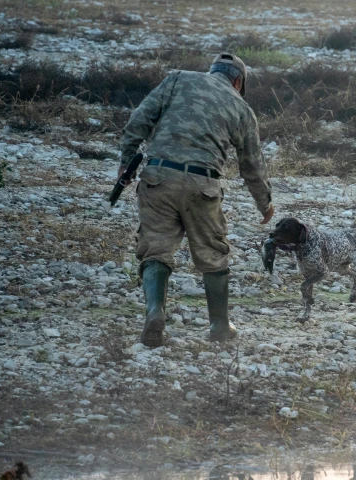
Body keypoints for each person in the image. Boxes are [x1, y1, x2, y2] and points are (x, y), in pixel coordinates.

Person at [117, 53, 275, 347]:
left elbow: (138, 120)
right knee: (213, 255)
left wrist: (126, 164)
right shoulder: (241, 108)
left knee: (155, 250)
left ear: (212, 71)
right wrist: (264, 204)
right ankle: (218, 325)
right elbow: (251, 164)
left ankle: (155, 312)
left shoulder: (177, 78)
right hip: (203, 184)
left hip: (157, 177)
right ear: (238, 81)